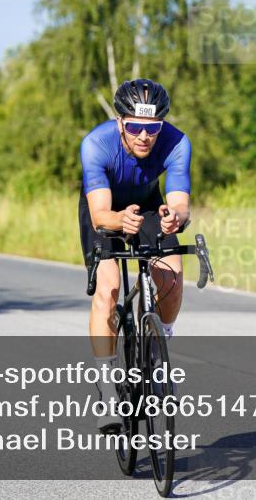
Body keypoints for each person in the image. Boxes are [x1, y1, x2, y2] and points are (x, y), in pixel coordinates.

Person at [79, 79, 191, 433]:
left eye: (153, 127)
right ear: (120, 122)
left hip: (148, 207)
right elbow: (100, 215)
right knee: (108, 293)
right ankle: (108, 388)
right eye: (135, 127)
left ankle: (159, 349)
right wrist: (118, 220)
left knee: (172, 279)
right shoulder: (97, 144)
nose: (144, 136)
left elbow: (179, 204)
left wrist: (176, 217)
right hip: (105, 210)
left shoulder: (177, 142)